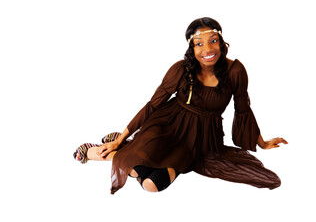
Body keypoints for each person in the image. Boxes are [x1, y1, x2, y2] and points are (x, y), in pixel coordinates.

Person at [73, 17, 288, 194]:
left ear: (222, 42)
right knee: (134, 162)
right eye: (199, 43)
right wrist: (120, 137)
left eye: (213, 41)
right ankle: (99, 149)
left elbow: (243, 109)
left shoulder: (235, 72)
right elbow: (152, 105)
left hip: (200, 139)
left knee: (151, 185)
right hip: (167, 125)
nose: (208, 49)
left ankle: (132, 147)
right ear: (191, 48)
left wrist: (262, 142)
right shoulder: (180, 70)